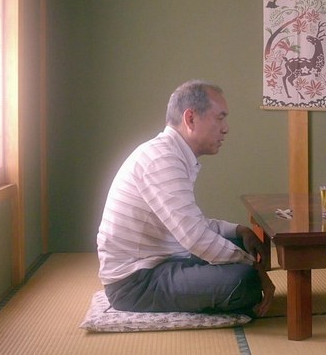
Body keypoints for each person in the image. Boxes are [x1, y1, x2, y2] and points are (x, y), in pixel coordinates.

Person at [96, 80, 274, 317]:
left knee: (240, 245)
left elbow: (192, 223)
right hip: (136, 282)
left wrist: (239, 230)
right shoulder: (161, 159)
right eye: (220, 118)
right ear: (190, 118)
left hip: (164, 260)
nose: (226, 128)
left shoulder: (172, 154)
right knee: (245, 280)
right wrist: (256, 269)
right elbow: (195, 237)